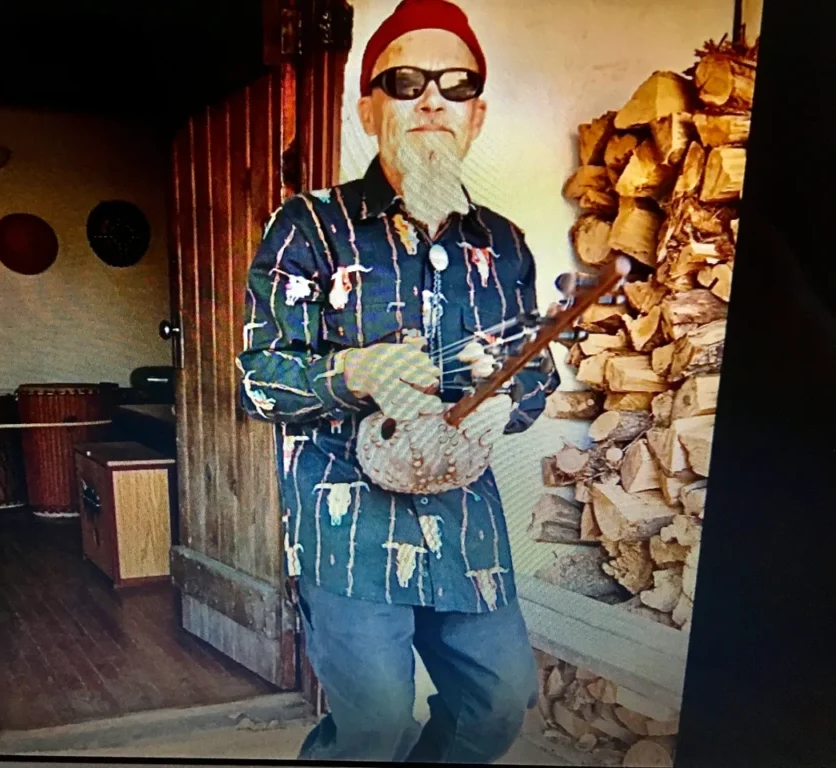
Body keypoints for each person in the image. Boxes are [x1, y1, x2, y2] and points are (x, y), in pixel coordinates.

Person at [235, 0, 561, 761]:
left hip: (466, 529)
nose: (431, 100)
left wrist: (506, 401)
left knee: (498, 702)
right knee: (375, 723)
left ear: (476, 116)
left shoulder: (504, 244)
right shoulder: (307, 226)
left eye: (456, 85)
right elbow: (259, 378)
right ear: (369, 108)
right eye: (406, 79)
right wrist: (351, 370)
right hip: (346, 529)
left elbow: (536, 369)